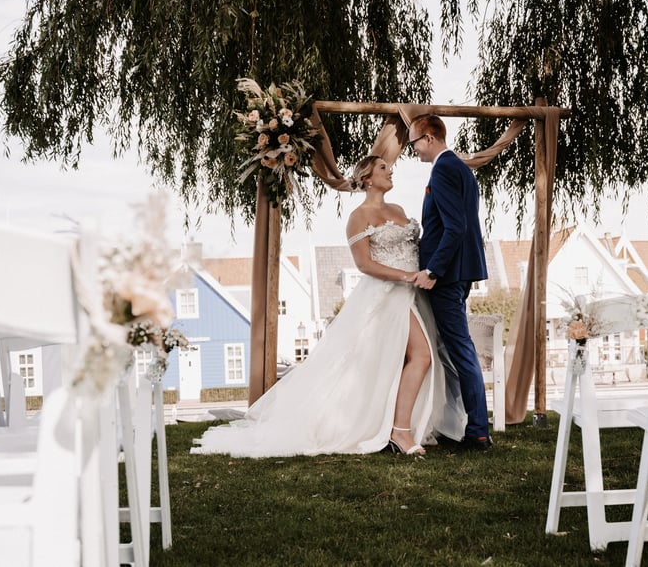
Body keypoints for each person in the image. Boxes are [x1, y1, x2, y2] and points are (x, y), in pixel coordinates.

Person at [191, 155, 466, 458]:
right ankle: (399, 430)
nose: (391, 173)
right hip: (386, 296)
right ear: (367, 178)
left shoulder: (398, 210)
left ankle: (394, 424)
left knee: (395, 363)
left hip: (413, 297)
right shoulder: (358, 217)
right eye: (384, 169)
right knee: (421, 356)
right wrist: (406, 276)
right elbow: (364, 264)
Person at [408, 114, 493, 451]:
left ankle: (478, 431)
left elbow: (455, 227)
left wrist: (433, 271)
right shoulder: (460, 168)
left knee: (460, 349)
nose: (413, 150)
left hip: (447, 275)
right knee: (455, 349)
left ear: (429, 137)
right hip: (462, 270)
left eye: (414, 143)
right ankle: (459, 423)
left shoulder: (443, 169)